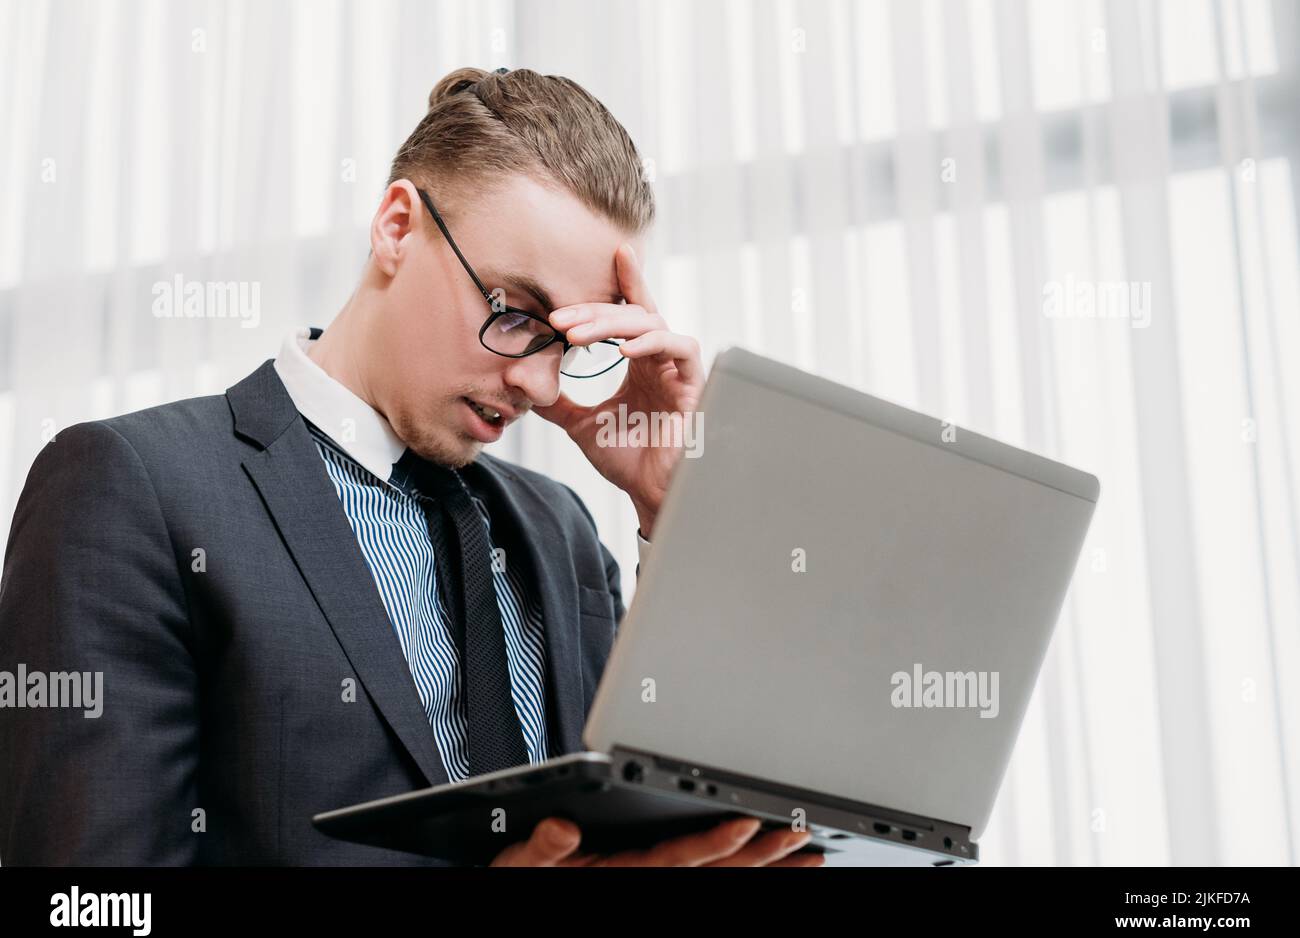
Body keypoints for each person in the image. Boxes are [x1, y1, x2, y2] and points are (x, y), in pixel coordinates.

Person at [0, 66, 822, 868]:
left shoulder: (561, 530)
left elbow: (674, 808)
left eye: (575, 349)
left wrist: (674, 508)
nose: (538, 385)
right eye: (517, 314)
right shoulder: (133, 484)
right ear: (398, 226)